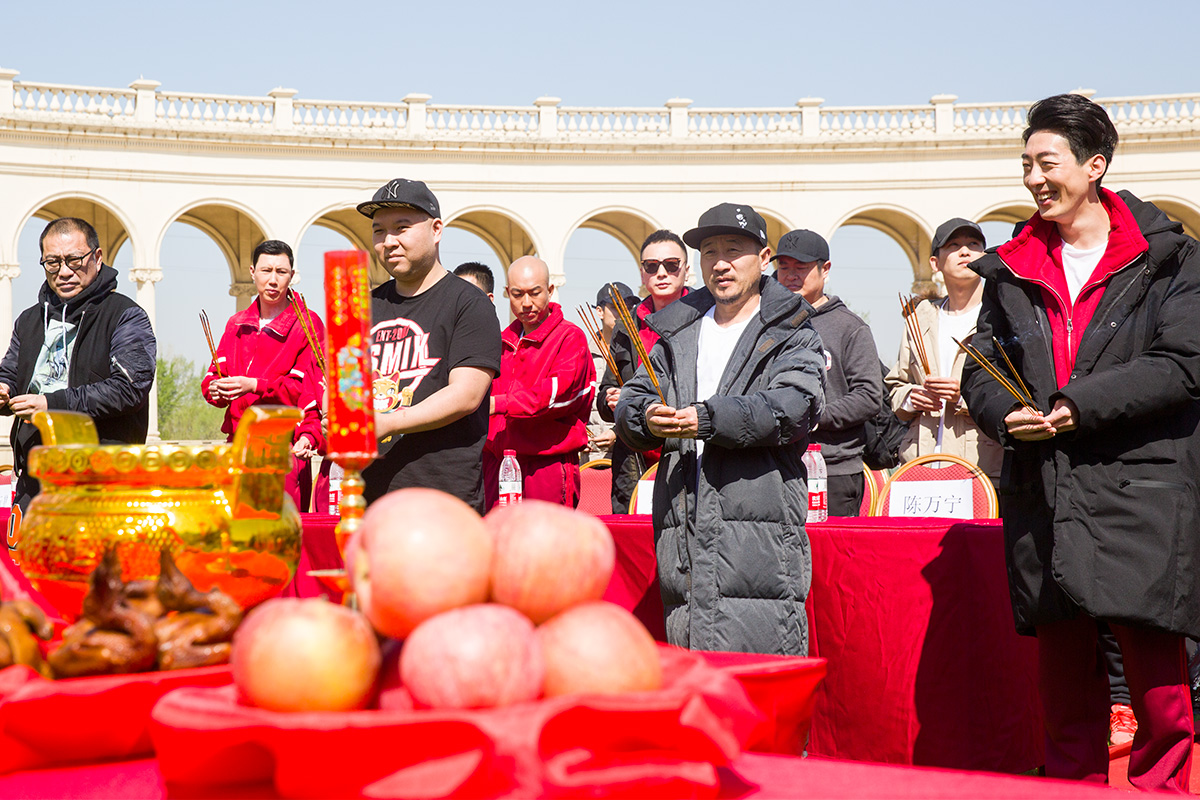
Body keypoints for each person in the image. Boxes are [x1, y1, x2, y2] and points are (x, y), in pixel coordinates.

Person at [960, 93, 1200, 791]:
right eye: (1026, 163)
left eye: (1048, 162)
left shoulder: (1170, 259)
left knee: (1160, 697)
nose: (1034, 177)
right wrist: (1006, 414)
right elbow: (983, 365)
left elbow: (1183, 364)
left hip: (1141, 490)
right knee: (1065, 700)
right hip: (1044, 493)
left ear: (1095, 166)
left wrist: (1073, 406)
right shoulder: (1008, 271)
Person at [616, 203, 825, 655]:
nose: (721, 262)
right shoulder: (679, 329)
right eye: (710, 251)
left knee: (759, 685)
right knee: (693, 686)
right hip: (682, 533)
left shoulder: (792, 329)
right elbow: (633, 398)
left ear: (764, 257)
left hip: (758, 532)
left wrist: (709, 418)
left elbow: (794, 406)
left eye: (735, 249)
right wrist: (647, 417)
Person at [358, 178, 500, 513]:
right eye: (379, 231)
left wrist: (389, 421)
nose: (388, 242)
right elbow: (344, 383)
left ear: (436, 230)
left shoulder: (469, 303)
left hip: (444, 503)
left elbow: (466, 395)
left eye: (402, 228)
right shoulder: (363, 306)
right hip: (371, 502)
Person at [0, 218, 156, 511]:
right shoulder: (29, 320)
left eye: (74, 260)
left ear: (97, 258)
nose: (64, 272)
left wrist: (52, 403)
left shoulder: (125, 316)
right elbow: (11, 371)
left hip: (101, 483)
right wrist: (4, 390)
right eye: (52, 262)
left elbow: (129, 389)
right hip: (35, 482)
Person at [201, 240, 326, 511]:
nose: (273, 280)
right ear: (252, 272)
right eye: (266, 270)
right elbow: (213, 376)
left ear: (292, 275)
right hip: (239, 447)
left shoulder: (307, 323)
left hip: (285, 449)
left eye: (281, 272)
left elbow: (304, 390)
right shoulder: (237, 324)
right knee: (238, 539)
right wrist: (214, 389)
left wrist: (254, 385)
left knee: (283, 536)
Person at [884, 218, 1003, 481]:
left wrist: (963, 397)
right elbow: (895, 386)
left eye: (974, 244)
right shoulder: (918, 318)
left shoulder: (1000, 316)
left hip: (979, 466)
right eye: (954, 245)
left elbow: (1016, 391)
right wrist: (913, 397)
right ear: (935, 264)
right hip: (920, 463)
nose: (965, 251)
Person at [773, 230, 882, 516]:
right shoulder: (766, 325)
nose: (791, 275)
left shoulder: (850, 327)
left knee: (828, 558)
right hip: (773, 467)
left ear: (826, 269)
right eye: (784, 267)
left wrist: (810, 416)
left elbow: (870, 396)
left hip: (832, 469)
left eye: (802, 267)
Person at [483, 256, 595, 508]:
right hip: (498, 463)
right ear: (506, 294)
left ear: (550, 290)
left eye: (535, 293)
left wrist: (498, 404)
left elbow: (557, 395)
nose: (526, 303)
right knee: (497, 543)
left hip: (547, 464)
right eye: (517, 294)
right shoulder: (501, 341)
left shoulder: (569, 338)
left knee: (546, 544)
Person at [597, 230, 690, 512]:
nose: (661, 272)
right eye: (652, 266)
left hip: (687, 452)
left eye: (671, 265)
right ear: (642, 273)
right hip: (633, 461)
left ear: (686, 270)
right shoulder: (628, 325)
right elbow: (606, 391)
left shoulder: (707, 317)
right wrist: (610, 399)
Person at [583, 281, 636, 461]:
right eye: (615, 307)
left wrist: (616, 432)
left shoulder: (637, 353)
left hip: (627, 454)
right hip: (589, 455)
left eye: (628, 307)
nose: (622, 313)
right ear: (599, 311)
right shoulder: (582, 353)